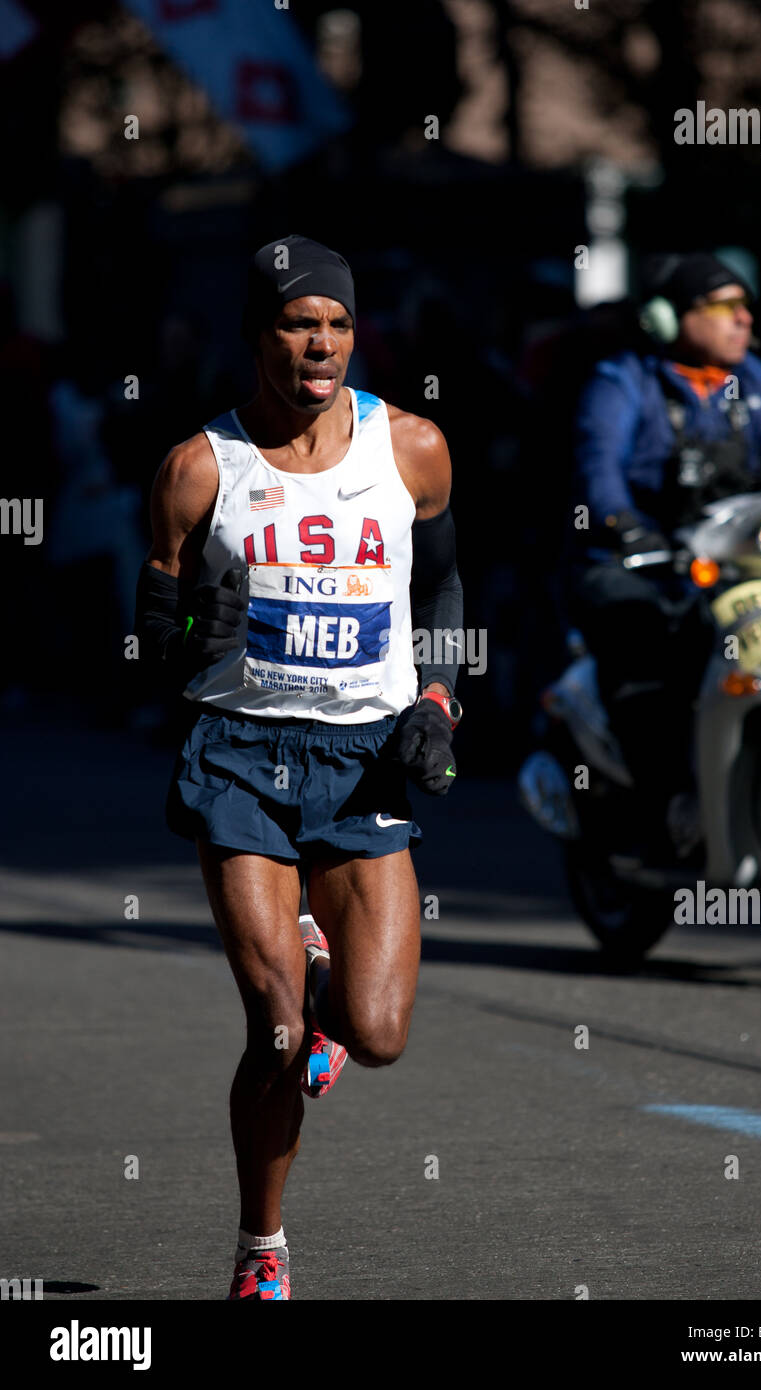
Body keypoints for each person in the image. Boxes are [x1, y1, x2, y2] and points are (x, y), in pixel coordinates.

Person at [134, 235, 463, 1298]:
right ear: (258, 335)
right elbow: (152, 645)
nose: (318, 344)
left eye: (334, 323)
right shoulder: (198, 468)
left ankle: (324, 975)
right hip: (239, 755)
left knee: (374, 1035)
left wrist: (440, 702)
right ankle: (261, 1248)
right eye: (294, 322)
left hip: (364, 758)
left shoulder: (410, 448)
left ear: (354, 335)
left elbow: (445, 588)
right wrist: (195, 623)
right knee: (276, 1032)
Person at [571, 252, 761, 857]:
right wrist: (627, 529)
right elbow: (601, 474)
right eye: (724, 308)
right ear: (668, 319)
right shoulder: (623, 382)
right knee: (651, 659)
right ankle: (667, 800)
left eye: (745, 307)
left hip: (741, 562)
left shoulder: (755, 382)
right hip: (644, 565)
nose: (743, 320)